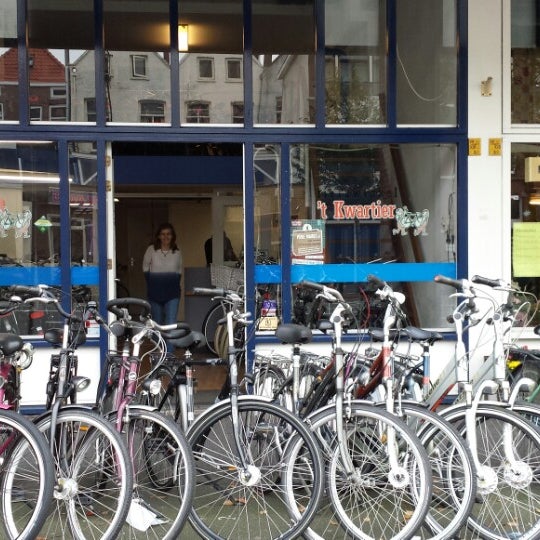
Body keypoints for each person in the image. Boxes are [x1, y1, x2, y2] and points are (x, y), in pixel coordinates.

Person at [142, 223, 182, 334]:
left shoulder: (177, 252)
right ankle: (158, 346)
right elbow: (145, 268)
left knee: (171, 325)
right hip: (155, 293)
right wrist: (153, 283)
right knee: (156, 324)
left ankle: (170, 346)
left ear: (172, 236)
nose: (165, 237)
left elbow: (179, 272)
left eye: (168, 234)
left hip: (172, 294)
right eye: (163, 234)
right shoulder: (151, 250)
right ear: (158, 236)